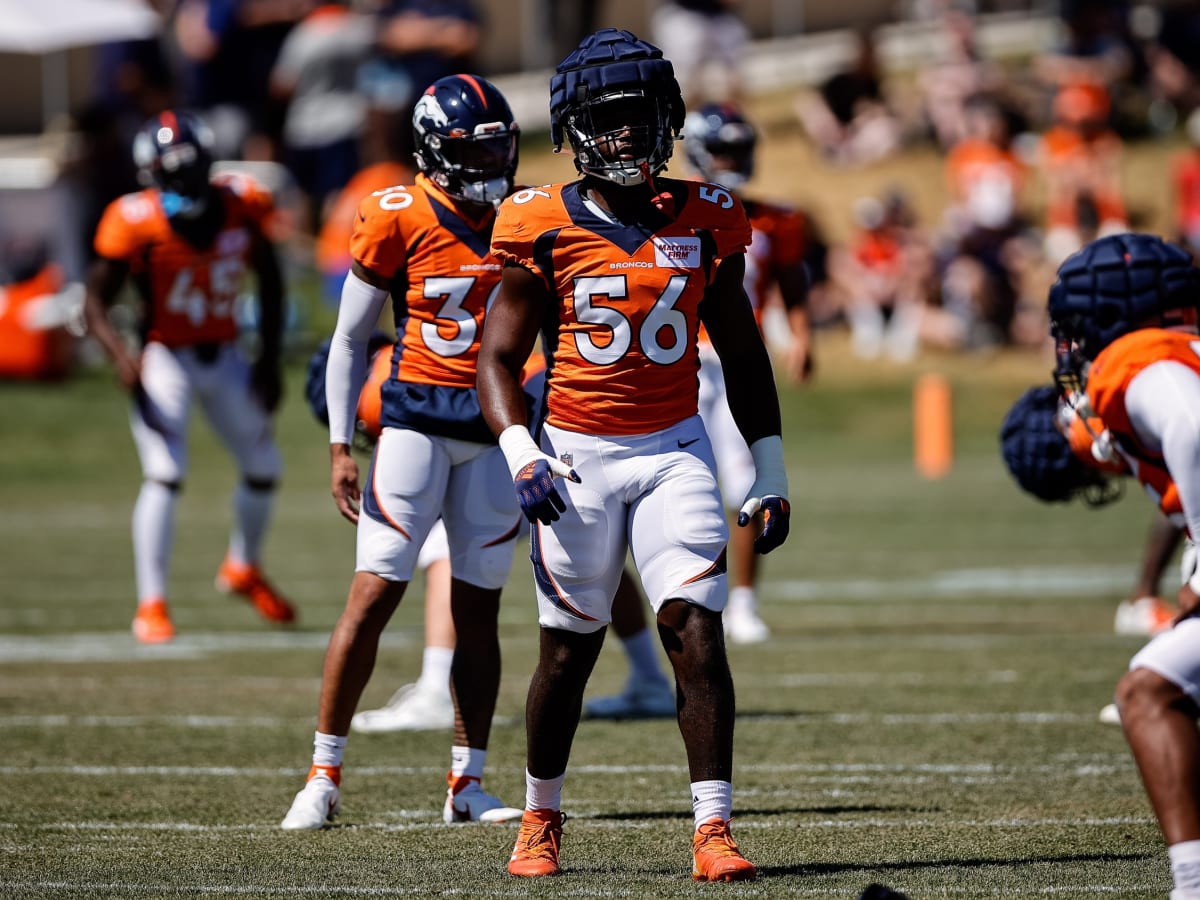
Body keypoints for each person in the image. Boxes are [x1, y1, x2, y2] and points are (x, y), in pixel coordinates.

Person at [477, 29, 791, 880]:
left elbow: (745, 350)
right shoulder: (538, 220)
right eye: (605, 122)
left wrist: (770, 466)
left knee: (695, 630)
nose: (622, 136)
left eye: (637, 117)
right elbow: (498, 359)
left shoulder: (710, 216)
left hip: (675, 450)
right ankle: (540, 817)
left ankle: (713, 830)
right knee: (568, 649)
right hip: (574, 455)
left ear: (670, 118)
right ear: (575, 130)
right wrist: (519, 452)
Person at [280, 73, 524, 829]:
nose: (490, 165)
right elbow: (350, 336)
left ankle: (467, 782)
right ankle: (322, 774)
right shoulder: (395, 213)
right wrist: (337, 446)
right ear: (433, 151)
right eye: (472, 150)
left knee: (478, 614)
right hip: (414, 424)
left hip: (492, 436)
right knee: (374, 593)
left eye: (497, 147)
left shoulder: (527, 217)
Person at [587, 102, 810, 721]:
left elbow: (787, 283)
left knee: (742, 485)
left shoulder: (749, 217)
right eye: (727, 151)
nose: (736, 163)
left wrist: (802, 333)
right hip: (669, 368)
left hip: (730, 362)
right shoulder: (663, 214)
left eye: (743, 151)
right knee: (633, 507)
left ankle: (738, 602)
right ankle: (669, 628)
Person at [82, 110, 294, 645]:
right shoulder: (134, 219)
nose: (186, 180)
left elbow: (270, 283)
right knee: (165, 471)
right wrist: (121, 357)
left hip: (224, 353)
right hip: (165, 357)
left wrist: (268, 359)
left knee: (265, 465)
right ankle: (150, 604)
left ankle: (243, 567)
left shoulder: (242, 203)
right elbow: (94, 301)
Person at [1044, 231, 1200, 900]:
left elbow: (1192, 427)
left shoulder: (1141, 364)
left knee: (1147, 693)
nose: (1073, 344)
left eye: (1077, 325)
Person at [303, 336, 456, 732]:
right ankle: (644, 672)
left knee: (445, 542)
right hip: (547, 412)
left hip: (523, 429)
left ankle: (438, 689)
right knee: (581, 547)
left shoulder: (386, 383)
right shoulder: (407, 353)